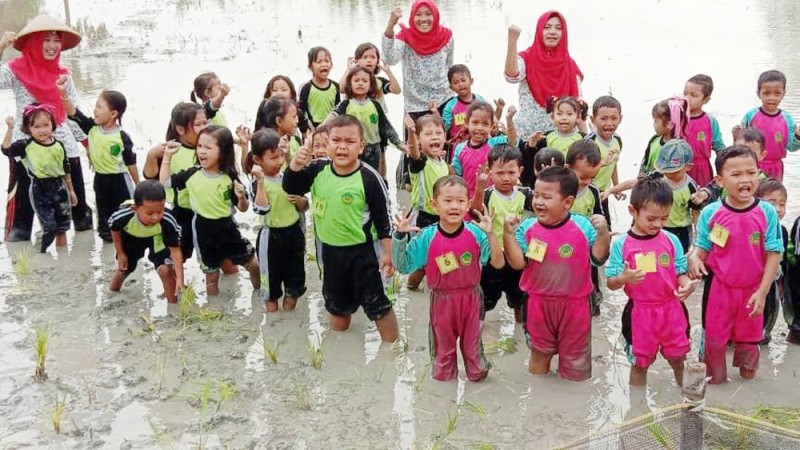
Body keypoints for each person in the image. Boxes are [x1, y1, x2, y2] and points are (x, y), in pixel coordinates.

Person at [283, 115, 399, 342]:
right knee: (336, 306)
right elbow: (291, 186)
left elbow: (383, 221)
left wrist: (387, 254)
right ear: (327, 144)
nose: (342, 147)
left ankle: (392, 350)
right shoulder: (317, 169)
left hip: (363, 253)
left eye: (350, 141)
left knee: (378, 305)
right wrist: (296, 164)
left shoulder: (369, 177)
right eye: (336, 140)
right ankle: (340, 349)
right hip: (330, 252)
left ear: (361, 146)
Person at [393, 175, 503, 381]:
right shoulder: (427, 237)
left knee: (474, 354)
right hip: (441, 301)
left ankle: (478, 384)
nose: (454, 206)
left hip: (471, 299)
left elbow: (498, 263)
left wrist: (491, 234)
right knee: (443, 356)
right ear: (434, 205)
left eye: (460, 201)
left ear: (468, 204)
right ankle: (444, 397)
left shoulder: (476, 233)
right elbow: (403, 266)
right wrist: (400, 237)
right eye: (448, 200)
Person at [504, 166, 610, 381]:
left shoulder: (582, 226)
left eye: (546, 197)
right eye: (536, 195)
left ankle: (571, 406)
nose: (538, 202)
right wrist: (508, 235)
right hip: (538, 304)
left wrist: (603, 234)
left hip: (576, 305)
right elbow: (518, 264)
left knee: (576, 364)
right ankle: (540, 399)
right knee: (539, 355)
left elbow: (598, 258)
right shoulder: (528, 227)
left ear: (567, 202)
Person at [688, 146, 783, 384]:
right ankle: (719, 390)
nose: (745, 180)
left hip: (753, 291)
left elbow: (774, 254)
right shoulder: (711, 213)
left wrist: (762, 293)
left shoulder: (767, 212)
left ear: (758, 174)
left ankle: (746, 398)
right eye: (736, 174)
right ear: (720, 180)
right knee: (714, 358)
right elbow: (701, 250)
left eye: (751, 173)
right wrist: (693, 258)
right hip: (720, 290)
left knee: (749, 356)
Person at [0, 15, 91, 241]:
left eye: (56, 40)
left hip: (61, 140)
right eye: (46, 40)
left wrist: (88, 143)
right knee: (24, 193)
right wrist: (1, 46)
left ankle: (83, 235)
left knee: (76, 193)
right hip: (28, 143)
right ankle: (19, 237)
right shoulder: (14, 70)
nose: (52, 46)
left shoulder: (63, 75)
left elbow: (73, 111)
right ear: (33, 42)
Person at [605, 174, 696, 386]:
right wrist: (624, 277)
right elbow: (611, 283)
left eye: (664, 218)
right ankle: (637, 408)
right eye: (651, 218)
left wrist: (687, 286)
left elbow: (679, 273)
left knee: (678, 359)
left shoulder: (671, 241)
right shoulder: (622, 244)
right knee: (640, 364)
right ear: (633, 211)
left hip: (672, 310)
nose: (658, 224)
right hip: (640, 313)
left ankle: (686, 399)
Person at [160, 125, 260, 297]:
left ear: (223, 151)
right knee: (211, 274)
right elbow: (165, 183)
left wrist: (241, 196)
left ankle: (259, 294)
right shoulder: (192, 174)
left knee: (254, 265)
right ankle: (214, 306)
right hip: (203, 230)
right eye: (199, 146)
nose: (202, 151)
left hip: (228, 229)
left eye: (208, 147)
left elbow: (243, 209)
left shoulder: (229, 177)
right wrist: (167, 156)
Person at [505, 11, 585, 187]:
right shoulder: (526, 58)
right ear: (539, 31)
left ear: (564, 34)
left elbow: (578, 108)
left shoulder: (570, 66)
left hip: (558, 142)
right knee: (528, 192)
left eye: (558, 28)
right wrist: (512, 41)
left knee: (557, 191)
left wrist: (585, 142)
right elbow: (511, 75)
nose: (552, 32)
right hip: (528, 142)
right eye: (547, 27)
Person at [383, 0, 454, 187]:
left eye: (428, 14)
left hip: (443, 101)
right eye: (419, 14)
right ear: (412, 17)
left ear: (435, 15)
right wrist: (391, 24)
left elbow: (450, 67)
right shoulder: (404, 37)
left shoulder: (447, 37)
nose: (424, 19)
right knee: (414, 154)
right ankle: (411, 193)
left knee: (444, 149)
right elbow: (390, 57)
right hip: (415, 104)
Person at [58, 81, 139, 242]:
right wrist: (64, 94)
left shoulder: (122, 136)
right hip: (100, 178)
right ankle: (106, 237)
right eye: (96, 105)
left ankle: (127, 239)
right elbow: (73, 113)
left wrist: (139, 185)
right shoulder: (91, 128)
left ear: (113, 114)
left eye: (100, 107)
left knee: (124, 209)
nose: (95, 110)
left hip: (119, 180)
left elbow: (131, 163)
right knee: (102, 208)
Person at [246, 128, 308, 313]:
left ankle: (287, 321)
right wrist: (262, 181)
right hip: (271, 238)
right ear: (257, 160)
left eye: (280, 156)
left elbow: (304, 205)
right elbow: (262, 208)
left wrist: (300, 201)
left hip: (294, 234)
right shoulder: (257, 184)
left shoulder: (289, 176)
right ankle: (272, 323)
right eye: (273, 158)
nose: (279, 161)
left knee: (295, 284)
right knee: (271, 288)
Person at [471, 145, 533, 321]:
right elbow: (475, 213)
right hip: (494, 254)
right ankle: (477, 326)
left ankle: (520, 331)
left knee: (520, 296)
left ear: (520, 171)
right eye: (499, 173)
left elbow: (542, 209)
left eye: (511, 172)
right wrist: (479, 188)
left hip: (518, 253)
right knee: (485, 297)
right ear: (490, 172)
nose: (505, 178)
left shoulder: (525, 194)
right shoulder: (488, 195)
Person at [2, 107, 78, 252]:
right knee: (49, 226)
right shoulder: (26, 145)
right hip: (39, 188)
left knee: (63, 225)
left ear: (53, 125)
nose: (42, 130)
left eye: (45, 125)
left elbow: (66, 170)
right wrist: (10, 129)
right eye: (36, 127)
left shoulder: (58, 145)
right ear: (28, 128)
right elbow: (6, 150)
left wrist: (71, 191)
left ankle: (63, 256)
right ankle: (40, 251)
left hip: (60, 187)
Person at [143, 102, 206, 260]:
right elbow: (151, 179)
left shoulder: (210, 146)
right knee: (173, 258)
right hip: (183, 213)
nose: (204, 128)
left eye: (206, 122)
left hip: (209, 211)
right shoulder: (171, 150)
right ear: (180, 129)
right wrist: (151, 155)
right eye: (198, 124)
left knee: (221, 260)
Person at [108, 181, 184, 303]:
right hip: (132, 237)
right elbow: (114, 228)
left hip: (157, 237)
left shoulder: (168, 221)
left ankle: (173, 305)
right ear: (136, 208)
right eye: (149, 213)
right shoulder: (124, 216)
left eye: (159, 212)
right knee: (125, 268)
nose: (155, 217)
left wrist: (179, 277)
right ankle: (111, 293)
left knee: (165, 270)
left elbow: (175, 250)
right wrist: (120, 253)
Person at [340, 42, 402, 177]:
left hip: (377, 123)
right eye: (365, 57)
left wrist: (388, 72)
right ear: (357, 60)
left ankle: (381, 181)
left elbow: (397, 90)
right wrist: (348, 70)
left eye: (373, 57)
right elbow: (341, 88)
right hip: (358, 125)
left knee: (380, 154)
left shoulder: (379, 81)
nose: (369, 60)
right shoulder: (353, 80)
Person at [326, 66, 402, 173]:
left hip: (374, 150)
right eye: (356, 80)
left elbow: (386, 127)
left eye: (365, 81)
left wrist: (399, 143)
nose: (360, 83)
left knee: (371, 178)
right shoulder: (346, 104)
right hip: (352, 149)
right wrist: (322, 128)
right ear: (350, 84)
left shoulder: (375, 105)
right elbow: (333, 116)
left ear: (371, 85)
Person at [565, 140, 605, 316]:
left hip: (587, 247)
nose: (587, 181)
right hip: (564, 245)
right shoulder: (560, 189)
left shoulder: (593, 192)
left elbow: (602, 217)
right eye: (583, 177)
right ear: (568, 168)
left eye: (592, 177)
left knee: (591, 279)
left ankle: (592, 307)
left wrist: (604, 229)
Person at [737, 70, 800, 181]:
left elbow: (792, 147)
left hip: (776, 167)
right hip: (751, 165)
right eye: (766, 93)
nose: (772, 98)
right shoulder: (751, 115)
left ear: (783, 94)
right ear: (758, 93)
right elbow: (740, 143)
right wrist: (736, 134)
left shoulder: (787, 119)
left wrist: (797, 136)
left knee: (773, 196)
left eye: (777, 93)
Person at [691, 128, 768, 207]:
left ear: (762, 155)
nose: (743, 155)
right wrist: (703, 195)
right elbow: (713, 189)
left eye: (750, 152)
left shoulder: (764, 182)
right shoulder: (727, 173)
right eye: (739, 150)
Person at [755, 178, 789, 345]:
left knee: (771, 309)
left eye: (782, 204)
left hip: (773, 281)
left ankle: (764, 335)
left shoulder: (782, 230)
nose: (778, 209)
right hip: (754, 280)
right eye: (772, 202)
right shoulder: (753, 227)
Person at [451, 101, 508, 201]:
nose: (480, 128)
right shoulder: (460, 148)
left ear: (491, 126)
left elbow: (513, 141)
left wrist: (510, 121)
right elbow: (456, 172)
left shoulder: (494, 144)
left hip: (493, 198)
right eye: (475, 122)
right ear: (467, 122)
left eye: (485, 124)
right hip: (468, 198)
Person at [653, 139, 700, 252]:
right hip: (661, 226)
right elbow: (636, 184)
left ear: (688, 167)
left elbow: (695, 212)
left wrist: (698, 236)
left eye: (674, 171)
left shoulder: (691, 187)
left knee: (681, 255)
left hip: (682, 229)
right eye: (666, 171)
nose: (669, 174)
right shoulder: (657, 180)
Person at [586, 96, 624, 222]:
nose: (609, 123)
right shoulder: (589, 142)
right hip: (587, 191)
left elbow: (613, 164)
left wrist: (616, 187)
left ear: (621, 119)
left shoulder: (617, 140)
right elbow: (580, 169)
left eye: (614, 118)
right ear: (593, 120)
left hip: (604, 192)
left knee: (605, 228)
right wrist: (603, 163)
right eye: (603, 119)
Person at [683, 74, 724, 187]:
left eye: (694, 95)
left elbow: (719, 147)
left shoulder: (710, 121)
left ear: (705, 100)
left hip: (702, 169)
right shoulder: (678, 119)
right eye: (685, 93)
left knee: (703, 199)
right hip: (679, 168)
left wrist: (726, 168)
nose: (687, 98)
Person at [437, 64, 485, 152]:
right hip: (459, 149)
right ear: (451, 87)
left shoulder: (480, 100)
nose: (460, 84)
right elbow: (444, 128)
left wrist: (499, 109)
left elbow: (491, 120)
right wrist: (435, 114)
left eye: (463, 80)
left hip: (480, 145)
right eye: (456, 82)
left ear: (471, 81)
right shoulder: (450, 106)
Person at [298, 47, 339, 133]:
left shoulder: (335, 86)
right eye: (319, 62)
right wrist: (305, 129)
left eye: (327, 61)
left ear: (331, 64)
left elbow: (338, 108)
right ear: (310, 66)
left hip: (331, 129)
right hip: (313, 129)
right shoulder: (307, 88)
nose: (324, 64)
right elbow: (300, 111)